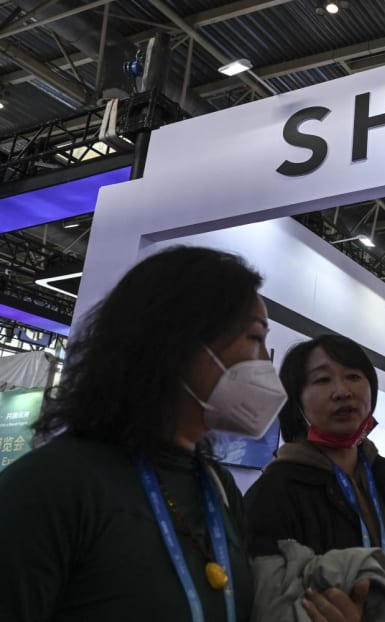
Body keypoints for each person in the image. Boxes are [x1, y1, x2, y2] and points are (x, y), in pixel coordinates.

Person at [0, 246, 364, 622]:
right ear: (179, 338)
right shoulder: (49, 487)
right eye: (255, 338)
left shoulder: (216, 487)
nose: (264, 362)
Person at [244, 333, 385, 622]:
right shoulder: (275, 491)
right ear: (296, 399)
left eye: (353, 376)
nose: (342, 391)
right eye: (322, 380)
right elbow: (268, 604)